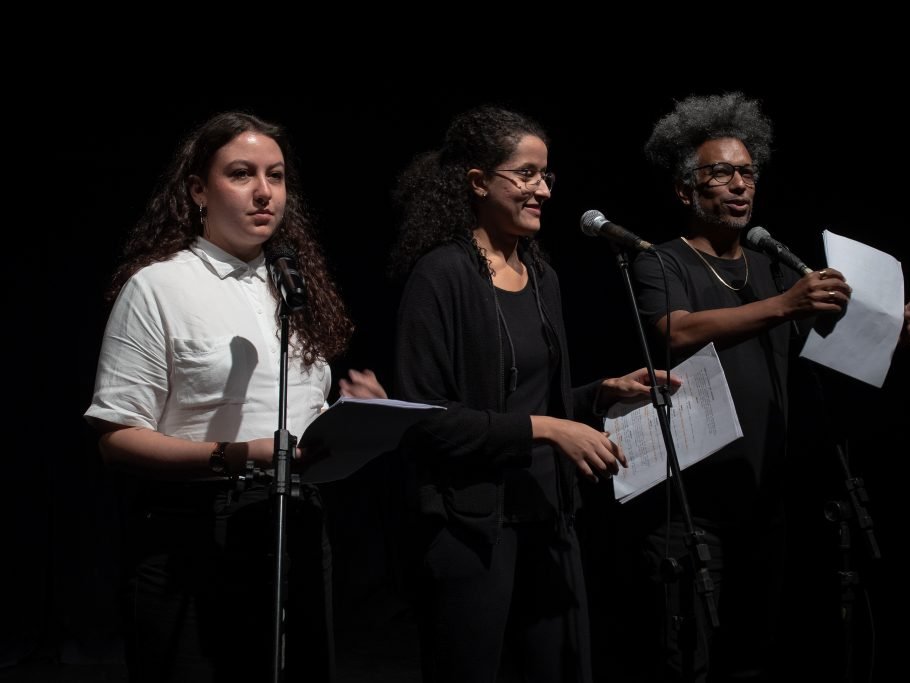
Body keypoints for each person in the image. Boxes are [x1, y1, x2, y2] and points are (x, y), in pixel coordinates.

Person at [625, 92, 910, 682]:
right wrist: (784, 304)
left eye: (747, 172)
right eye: (721, 173)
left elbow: (833, 348)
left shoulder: (773, 264)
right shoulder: (660, 263)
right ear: (687, 191)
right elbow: (673, 333)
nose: (739, 184)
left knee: (752, 659)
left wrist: (888, 329)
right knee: (687, 662)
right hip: (687, 504)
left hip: (763, 500)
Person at [83, 111, 385, 683]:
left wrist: (360, 420)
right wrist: (242, 454)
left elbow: (305, 417)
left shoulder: (295, 288)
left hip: (295, 521)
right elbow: (116, 439)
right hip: (196, 532)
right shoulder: (159, 287)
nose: (265, 192)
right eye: (242, 174)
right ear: (198, 190)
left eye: (276, 175)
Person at [389, 104, 679, 683]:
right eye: (526, 174)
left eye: (546, 175)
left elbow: (526, 402)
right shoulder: (441, 276)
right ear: (477, 182)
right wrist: (549, 429)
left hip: (549, 516)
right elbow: (425, 420)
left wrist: (599, 394)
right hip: (473, 528)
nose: (542, 189)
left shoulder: (542, 275)